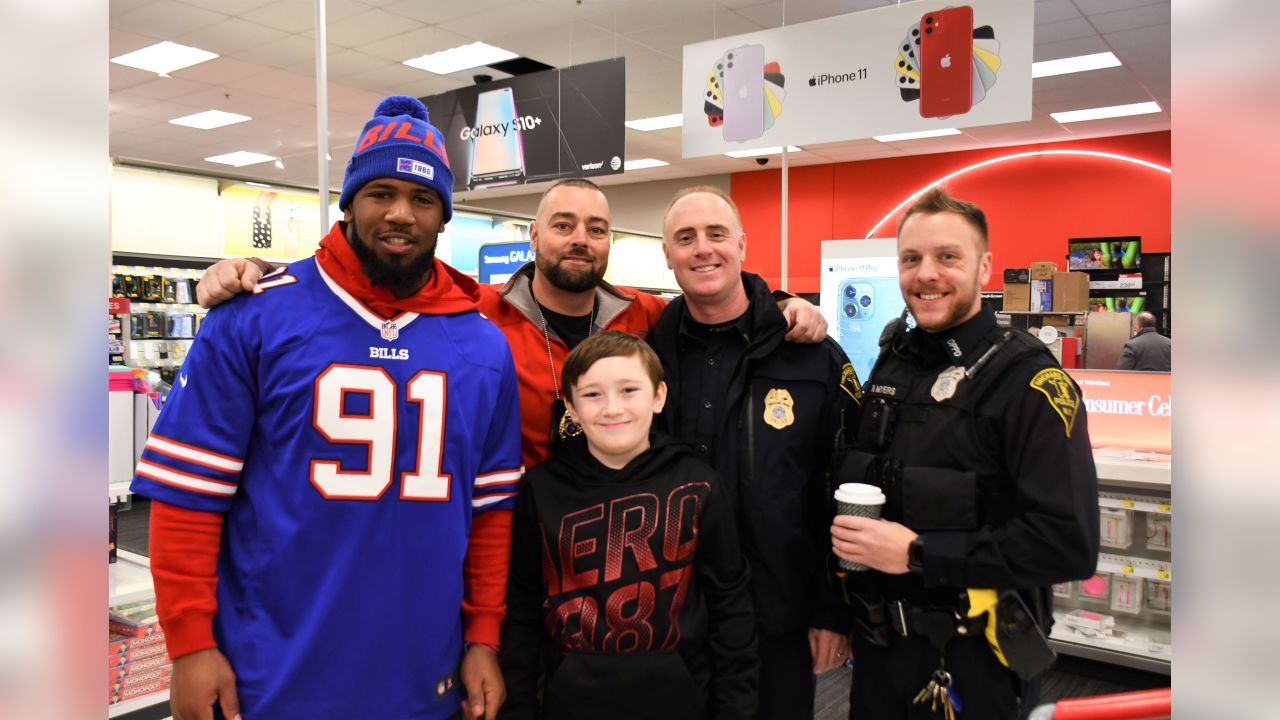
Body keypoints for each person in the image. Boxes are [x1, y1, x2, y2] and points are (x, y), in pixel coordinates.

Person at [130, 96, 523, 720]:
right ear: (349, 203)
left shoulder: (482, 344)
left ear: (444, 216)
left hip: (425, 670)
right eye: (381, 193)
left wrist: (482, 638)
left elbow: (490, 511)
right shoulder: (254, 317)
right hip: (271, 673)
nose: (401, 214)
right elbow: (188, 495)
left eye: (423, 200)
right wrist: (189, 646)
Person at [195, 179, 829, 474]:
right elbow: (383, 274)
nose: (580, 240)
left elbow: (717, 304)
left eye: (597, 229)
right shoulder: (476, 311)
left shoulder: (647, 316)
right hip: (514, 533)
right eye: (563, 225)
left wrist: (782, 302)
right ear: (534, 236)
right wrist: (254, 273)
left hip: (621, 530)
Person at [829, 187, 1100, 719]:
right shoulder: (893, 362)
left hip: (972, 659)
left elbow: (1068, 544)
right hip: (880, 651)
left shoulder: (1028, 381)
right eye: (911, 259)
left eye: (947, 257)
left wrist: (918, 553)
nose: (926, 273)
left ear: (984, 268)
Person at [647, 186, 864, 720]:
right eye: (686, 238)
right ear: (668, 254)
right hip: (670, 618)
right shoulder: (646, 358)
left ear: (742, 243)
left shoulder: (814, 359)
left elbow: (846, 489)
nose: (703, 249)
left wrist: (834, 609)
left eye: (717, 235)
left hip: (779, 619)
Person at [499, 332, 757, 720]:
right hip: (570, 702)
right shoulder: (541, 489)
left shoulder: (700, 484)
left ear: (658, 396)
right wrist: (518, 706)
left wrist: (736, 709)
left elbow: (730, 606)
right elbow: (521, 608)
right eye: (591, 395)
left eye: (629, 390)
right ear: (570, 405)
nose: (612, 408)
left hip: (680, 700)